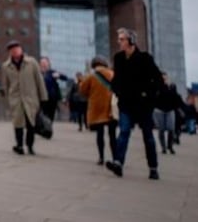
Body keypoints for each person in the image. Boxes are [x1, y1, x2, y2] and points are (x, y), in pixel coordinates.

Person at [106, 28, 163, 180]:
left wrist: (149, 96)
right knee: (124, 131)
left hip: (143, 105)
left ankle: (153, 167)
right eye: (119, 39)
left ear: (131, 41)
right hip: (125, 103)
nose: (119, 42)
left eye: (122, 39)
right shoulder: (118, 58)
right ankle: (118, 162)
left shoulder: (145, 58)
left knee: (148, 136)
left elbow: (158, 79)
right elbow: (116, 79)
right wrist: (116, 90)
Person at [2, 40, 47, 155]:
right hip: (16, 99)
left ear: (21, 49)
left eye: (17, 48)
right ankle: (19, 145)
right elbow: (5, 84)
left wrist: (43, 98)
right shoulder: (6, 66)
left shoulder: (31, 63)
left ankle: (30, 146)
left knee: (31, 124)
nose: (15, 51)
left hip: (31, 99)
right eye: (12, 49)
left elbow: (39, 81)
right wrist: (9, 99)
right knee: (18, 124)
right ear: (10, 52)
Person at [77, 56, 118, 165]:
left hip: (97, 108)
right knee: (112, 135)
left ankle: (101, 157)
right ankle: (116, 158)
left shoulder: (91, 76)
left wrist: (81, 82)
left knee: (100, 134)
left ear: (93, 65)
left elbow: (82, 91)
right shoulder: (112, 74)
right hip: (110, 108)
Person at [153, 73, 182, 156]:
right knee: (161, 130)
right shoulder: (158, 87)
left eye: (165, 78)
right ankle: (163, 148)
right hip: (159, 110)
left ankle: (170, 146)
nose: (164, 80)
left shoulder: (171, 87)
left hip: (170, 110)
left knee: (171, 129)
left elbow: (176, 98)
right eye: (163, 79)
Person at [39, 57, 64, 123]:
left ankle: (48, 128)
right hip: (42, 98)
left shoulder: (52, 72)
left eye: (45, 63)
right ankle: (44, 128)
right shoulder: (38, 73)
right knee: (43, 114)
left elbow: (65, 78)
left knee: (51, 115)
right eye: (42, 63)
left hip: (52, 98)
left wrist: (59, 75)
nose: (44, 64)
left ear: (48, 64)